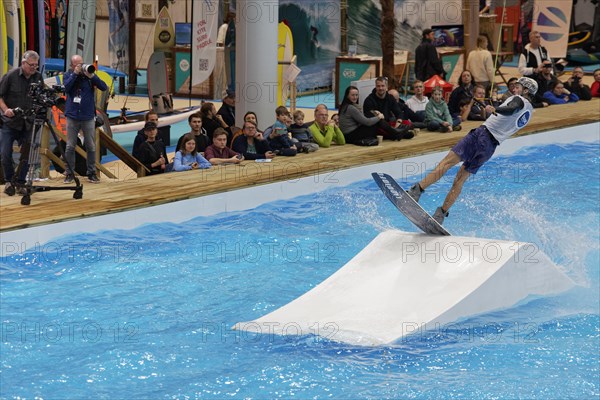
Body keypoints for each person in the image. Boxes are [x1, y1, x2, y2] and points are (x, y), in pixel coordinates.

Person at [407, 77, 537, 225]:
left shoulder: (518, 99)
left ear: (526, 90)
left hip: (481, 136)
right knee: (460, 180)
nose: (514, 89)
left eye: (518, 87)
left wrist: (496, 108)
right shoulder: (530, 111)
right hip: (490, 147)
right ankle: (440, 214)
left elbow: (511, 108)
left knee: (446, 163)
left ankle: (416, 190)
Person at [0, 50, 44, 194]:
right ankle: (9, 181)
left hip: (29, 123)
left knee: (27, 153)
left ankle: (20, 182)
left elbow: (42, 96)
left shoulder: (38, 77)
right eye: (31, 65)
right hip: (10, 122)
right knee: (5, 153)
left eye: (36, 65)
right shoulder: (11, 76)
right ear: (23, 63)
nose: (33, 68)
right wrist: (6, 109)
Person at [63, 54, 108, 184]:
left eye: (81, 63)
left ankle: (92, 173)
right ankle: (69, 173)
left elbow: (104, 87)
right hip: (72, 116)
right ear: (72, 66)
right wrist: (75, 74)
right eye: (77, 64)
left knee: (91, 146)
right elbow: (66, 88)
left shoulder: (89, 76)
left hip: (88, 116)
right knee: (70, 146)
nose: (81, 66)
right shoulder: (68, 75)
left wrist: (92, 76)